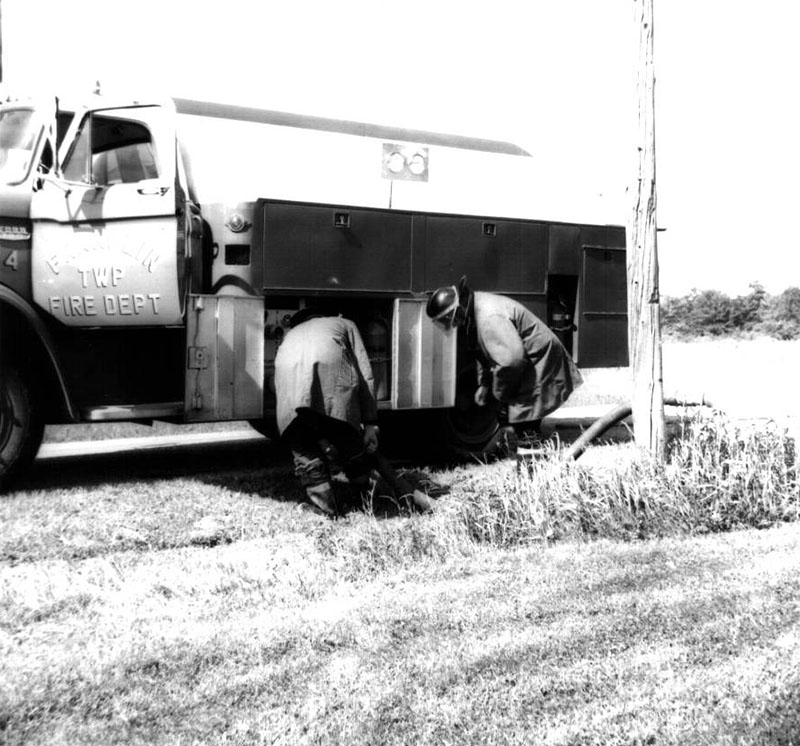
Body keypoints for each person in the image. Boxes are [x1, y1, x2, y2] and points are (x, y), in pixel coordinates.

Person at [274, 308, 432, 516]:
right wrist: (369, 423)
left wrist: (317, 434)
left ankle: (326, 509)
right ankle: (365, 499)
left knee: (306, 454)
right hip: (332, 392)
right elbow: (365, 373)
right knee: (353, 448)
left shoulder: (290, 335)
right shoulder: (344, 323)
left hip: (289, 399)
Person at [426, 277, 583, 455]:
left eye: (447, 320)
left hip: (537, 358)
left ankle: (533, 461)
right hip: (525, 358)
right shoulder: (472, 313)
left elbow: (511, 361)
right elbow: (483, 353)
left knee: (524, 415)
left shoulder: (488, 318)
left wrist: (500, 393)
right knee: (515, 413)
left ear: (455, 312)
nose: (449, 326)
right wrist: (485, 384)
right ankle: (524, 453)